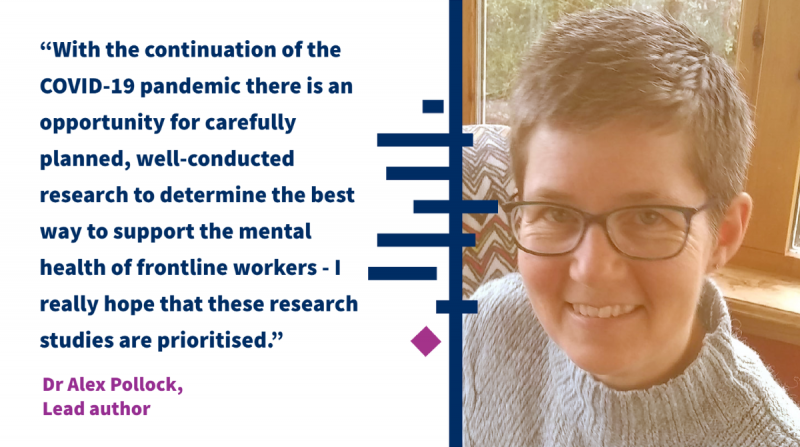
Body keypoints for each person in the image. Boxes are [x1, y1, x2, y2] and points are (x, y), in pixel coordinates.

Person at [462, 8, 800, 447]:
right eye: (557, 214)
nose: (592, 269)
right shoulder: (486, 327)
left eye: (647, 217)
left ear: (724, 234)